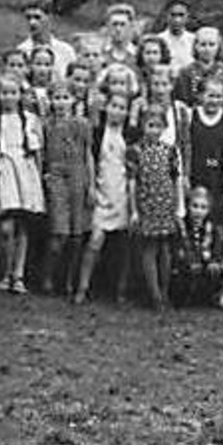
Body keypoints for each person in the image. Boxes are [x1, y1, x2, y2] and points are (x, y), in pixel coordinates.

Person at [0, 72, 44, 294]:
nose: (9, 97)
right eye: (4, 93)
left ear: (20, 95)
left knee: (22, 226)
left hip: (24, 173)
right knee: (6, 227)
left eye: (13, 93)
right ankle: (5, 271)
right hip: (3, 172)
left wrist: (37, 176)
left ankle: (18, 274)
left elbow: (37, 151)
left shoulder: (28, 119)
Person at [76, 91, 134, 304]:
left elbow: (131, 167)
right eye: (114, 106)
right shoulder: (98, 132)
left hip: (122, 194)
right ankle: (82, 287)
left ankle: (120, 290)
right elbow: (91, 160)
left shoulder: (129, 135)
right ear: (106, 108)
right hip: (102, 191)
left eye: (122, 107)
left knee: (123, 245)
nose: (117, 111)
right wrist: (91, 186)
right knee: (95, 240)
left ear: (127, 112)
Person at [40, 79, 93, 297]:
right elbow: (42, 153)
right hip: (56, 176)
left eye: (65, 98)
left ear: (73, 100)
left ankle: (70, 280)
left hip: (78, 175)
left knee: (77, 235)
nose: (61, 103)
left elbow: (88, 153)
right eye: (57, 98)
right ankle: (47, 276)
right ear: (50, 101)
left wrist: (91, 185)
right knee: (59, 233)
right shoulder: (46, 125)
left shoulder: (81, 124)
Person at [128, 104, 182, 311]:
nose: (154, 131)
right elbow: (132, 181)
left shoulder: (169, 151)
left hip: (166, 204)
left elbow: (175, 178)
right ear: (143, 126)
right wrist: (134, 210)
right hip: (146, 203)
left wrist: (177, 207)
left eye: (158, 126)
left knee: (165, 249)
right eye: (150, 126)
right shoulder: (135, 150)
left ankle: (165, 290)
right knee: (149, 248)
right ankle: (155, 295)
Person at [182, 76, 223, 218]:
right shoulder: (190, 116)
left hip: (218, 178)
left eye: (218, 96)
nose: (214, 101)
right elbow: (185, 149)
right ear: (201, 96)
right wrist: (185, 176)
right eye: (210, 96)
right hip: (195, 174)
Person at [172, 185, 223, 307]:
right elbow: (177, 246)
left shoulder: (212, 227)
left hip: (205, 264)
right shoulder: (181, 226)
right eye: (195, 206)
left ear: (208, 210)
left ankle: (206, 298)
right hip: (186, 264)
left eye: (203, 208)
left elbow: (217, 247)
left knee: (214, 270)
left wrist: (213, 260)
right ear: (188, 207)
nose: (198, 211)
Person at [172, 27, 223, 108]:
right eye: (203, 45)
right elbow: (183, 99)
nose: (207, 49)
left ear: (218, 46)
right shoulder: (185, 72)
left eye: (212, 44)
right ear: (196, 46)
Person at [17, 0, 76, 76]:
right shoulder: (22, 51)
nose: (32, 22)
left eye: (37, 17)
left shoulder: (66, 51)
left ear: (50, 18)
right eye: (28, 18)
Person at [155, 0, 195, 77]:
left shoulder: (194, 41)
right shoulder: (158, 41)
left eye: (181, 15)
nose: (177, 20)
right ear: (166, 15)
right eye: (173, 15)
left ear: (187, 16)